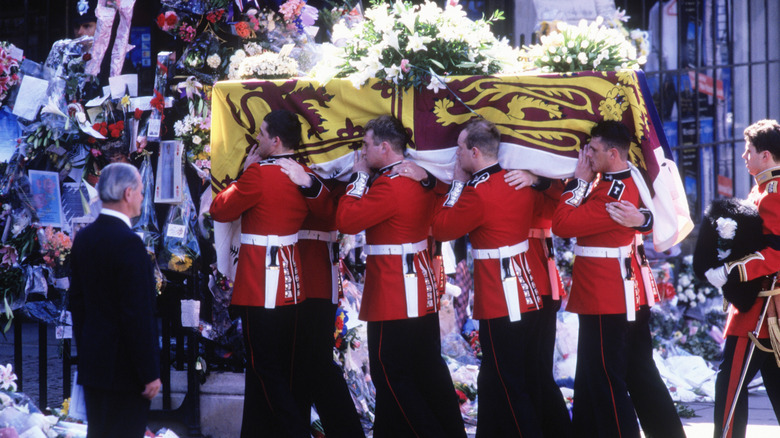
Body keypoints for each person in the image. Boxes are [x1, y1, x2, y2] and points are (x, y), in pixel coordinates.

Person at [552, 120, 684, 438]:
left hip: (607, 293)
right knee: (627, 372)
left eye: (593, 150)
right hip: (626, 290)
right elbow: (649, 215)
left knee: (604, 379)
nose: (587, 155)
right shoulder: (629, 174)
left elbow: (562, 224)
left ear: (613, 153)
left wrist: (579, 182)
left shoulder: (611, 191)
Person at [336, 115, 466, 438]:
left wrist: (359, 178)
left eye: (366, 145)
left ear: (384, 146)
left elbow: (347, 219)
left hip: (394, 290)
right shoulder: (422, 178)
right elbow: (445, 192)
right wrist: (428, 180)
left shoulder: (390, 185)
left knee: (390, 374)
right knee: (427, 370)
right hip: (419, 288)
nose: (363, 152)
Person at [210, 109, 329, 437]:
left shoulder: (259, 174)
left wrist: (242, 175)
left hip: (258, 284)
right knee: (282, 369)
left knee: (264, 369)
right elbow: (328, 212)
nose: (257, 139)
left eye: (262, 134)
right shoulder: (304, 175)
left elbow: (219, 209)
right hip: (291, 285)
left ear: (275, 142)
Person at [429, 118, 546, 437]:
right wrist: (538, 179)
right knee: (497, 378)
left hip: (500, 297)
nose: (457, 154)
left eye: (460, 148)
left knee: (509, 384)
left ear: (475, 152)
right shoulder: (517, 180)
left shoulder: (477, 193)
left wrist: (455, 185)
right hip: (528, 291)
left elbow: (441, 228)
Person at [69, 162, 161, 438]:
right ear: (128, 193)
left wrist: (86, 354)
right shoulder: (129, 243)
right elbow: (137, 314)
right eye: (142, 192)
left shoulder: (84, 238)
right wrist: (149, 371)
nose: (143, 198)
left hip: (94, 364)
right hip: (125, 370)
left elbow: (78, 305)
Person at [704, 119, 780, 438]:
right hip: (762, 308)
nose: (743, 156)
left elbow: (776, 251)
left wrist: (735, 270)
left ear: (765, 155)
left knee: (730, 386)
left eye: (748, 151)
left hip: (758, 309)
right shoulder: (761, 188)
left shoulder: (772, 193)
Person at [277, 161, 365, 437]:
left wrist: (309, 182)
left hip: (314, 276)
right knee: (298, 364)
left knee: (317, 363)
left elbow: (333, 214)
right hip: (294, 272)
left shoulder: (338, 172)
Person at [504, 169, 573, 437]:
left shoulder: (543, 183)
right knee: (536, 369)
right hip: (540, 279)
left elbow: (562, 196)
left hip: (528, 282)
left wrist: (537, 180)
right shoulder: (545, 183)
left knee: (530, 370)